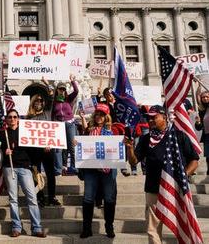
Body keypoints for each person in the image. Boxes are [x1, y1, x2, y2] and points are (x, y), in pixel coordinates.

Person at [125, 105, 199, 244]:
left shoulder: (179, 136)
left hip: (176, 188)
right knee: (153, 228)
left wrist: (184, 174)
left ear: (164, 117)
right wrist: (129, 149)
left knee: (182, 224)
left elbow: (194, 160)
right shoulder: (146, 139)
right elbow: (134, 160)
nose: (151, 120)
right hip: (153, 188)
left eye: (154, 117)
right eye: (148, 118)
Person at [0, 109, 46, 238]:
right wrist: (4, 150)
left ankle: (37, 227)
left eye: (15, 117)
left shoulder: (26, 132)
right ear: (6, 119)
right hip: (10, 167)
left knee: (32, 198)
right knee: (13, 199)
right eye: (10, 117)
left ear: (18, 119)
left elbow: (35, 150)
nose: (12, 119)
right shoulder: (3, 134)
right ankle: (16, 227)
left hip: (25, 167)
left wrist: (45, 147)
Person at [79, 103, 117, 238]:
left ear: (106, 117)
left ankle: (109, 227)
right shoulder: (89, 130)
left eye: (102, 115)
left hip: (108, 168)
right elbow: (82, 146)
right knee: (88, 197)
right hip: (91, 168)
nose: (99, 117)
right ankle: (87, 228)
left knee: (109, 198)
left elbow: (118, 148)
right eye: (98, 114)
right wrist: (77, 144)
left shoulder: (114, 130)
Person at [26, 94, 60, 207]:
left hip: (47, 149)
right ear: (33, 102)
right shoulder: (28, 117)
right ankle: (39, 197)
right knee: (36, 174)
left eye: (41, 101)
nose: (39, 103)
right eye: (37, 101)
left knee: (51, 174)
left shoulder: (48, 113)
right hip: (34, 150)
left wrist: (48, 87)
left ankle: (52, 197)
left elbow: (52, 99)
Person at [46, 75, 78, 175]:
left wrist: (73, 81)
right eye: (60, 89)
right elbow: (52, 115)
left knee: (72, 146)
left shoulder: (68, 99)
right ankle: (58, 169)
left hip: (69, 124)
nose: (62, 91)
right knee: (58, 148)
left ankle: (73, 167)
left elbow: (76, 91)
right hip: (58, 125)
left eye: (63, 89)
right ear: (57, 90)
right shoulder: (54, 101)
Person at [195, 90, 209, 175]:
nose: (205, 98)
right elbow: (199, 128)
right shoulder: (202, 111)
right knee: (208, 156)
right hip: (207, 135)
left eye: (207, 97)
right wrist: (198, 122)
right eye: (203, 97)